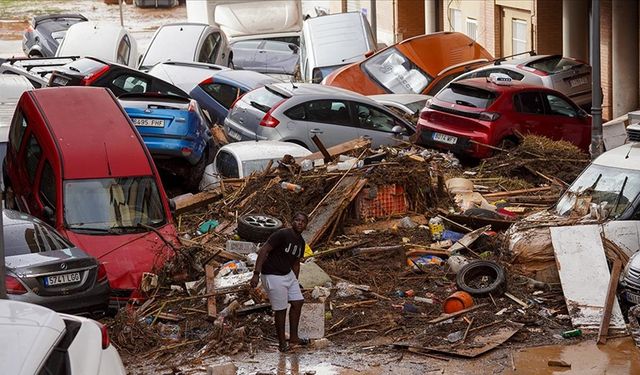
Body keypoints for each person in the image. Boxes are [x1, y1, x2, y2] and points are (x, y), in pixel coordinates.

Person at [250, 212, 310, 352]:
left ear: (306, 225)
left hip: (287, 274)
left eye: (303, 221)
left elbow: (296, 263)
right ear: (292, 221)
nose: (299, 223)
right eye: (297, 220)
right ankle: (282, 343)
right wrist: (256, 274)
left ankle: (294, 337)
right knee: (281, 309)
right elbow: (264, 250)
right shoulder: (282, 234)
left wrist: (295, 280)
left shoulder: (301, 242)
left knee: (297, 302)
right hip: (272, 274)